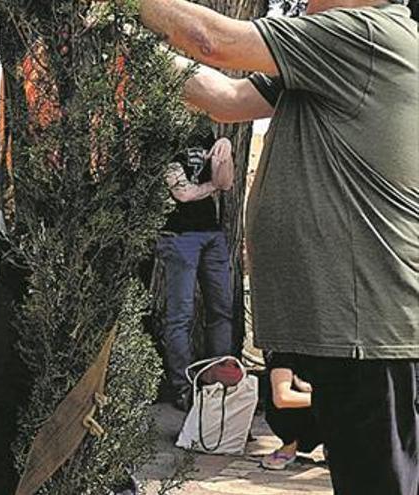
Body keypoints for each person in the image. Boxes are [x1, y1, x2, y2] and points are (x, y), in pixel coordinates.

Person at [137, 0, 417, 492]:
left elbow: (212, 40)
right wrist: (128, 41)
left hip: (369, 328)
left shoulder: (362, 34)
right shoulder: (327, 54)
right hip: (348, 327)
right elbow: (223, 96)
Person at [158, 131, 234, 411]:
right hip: (178, 236)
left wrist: (225, 148)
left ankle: (220, 383)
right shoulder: (165, 135)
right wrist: (212, 184)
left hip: (211, 234)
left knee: (221, 310)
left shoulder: (205, 135)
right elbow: (183, 193)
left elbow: (227, 183)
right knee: (181, 315)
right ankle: (183, 387)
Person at [261, 353, 322, 470]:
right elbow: (282, 398)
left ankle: (335, 447)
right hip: (298, 418)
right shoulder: (284, 352)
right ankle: (290, 443)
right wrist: (331, 400)